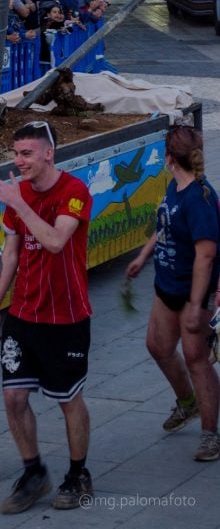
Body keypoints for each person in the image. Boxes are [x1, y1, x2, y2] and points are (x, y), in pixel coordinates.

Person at [0, 121, 93, 514]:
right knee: (13, 398)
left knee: (68, 400)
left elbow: (54, 241)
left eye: (27, 153)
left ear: (49, 153)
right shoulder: (20, 196)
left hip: (66, 317)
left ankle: (78, 473)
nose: (19, 161)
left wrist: (18, 204)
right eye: (16, 154)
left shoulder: (75, 193)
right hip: (23, 314)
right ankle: (33, 472)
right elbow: (11, 254)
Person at [126, 125, 220, 463]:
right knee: (158, 346)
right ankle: (188, 403)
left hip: (192, 292)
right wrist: (143, 255)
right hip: (166, 286)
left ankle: (211, 435)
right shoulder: (176, 185)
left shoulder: (200, 199)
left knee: (196, 359)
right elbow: (166, 223)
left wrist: (197, 306)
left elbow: (206, 256)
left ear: (169, 158)